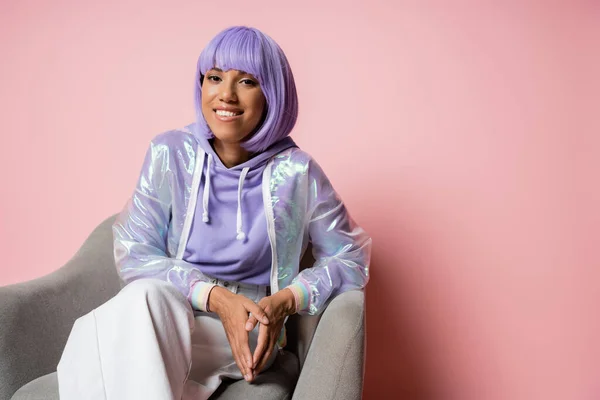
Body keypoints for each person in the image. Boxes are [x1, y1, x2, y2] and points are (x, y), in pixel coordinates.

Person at [56, 25, 371, 400]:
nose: (226, 94)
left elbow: (350, 258)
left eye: (247, 81)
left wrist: (287, 300)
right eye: (215, 77)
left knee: (113, 338)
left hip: (248, 324)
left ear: (272, 94)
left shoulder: (296, 173)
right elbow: (135, 253)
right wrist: (214, 297)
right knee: (143, 301)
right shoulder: (169, 153)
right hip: (169, 310)